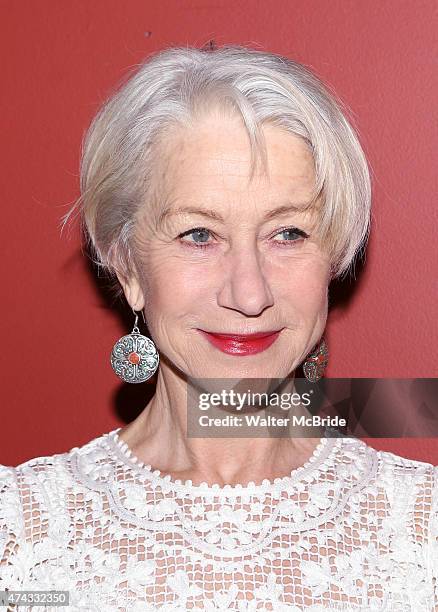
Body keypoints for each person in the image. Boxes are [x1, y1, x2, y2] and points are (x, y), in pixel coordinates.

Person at [0, 44, 437, 611]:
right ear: (128, 265)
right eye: (199, 236)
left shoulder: (424, 531)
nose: (249, 294)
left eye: (288, 234)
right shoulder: (20, 535)